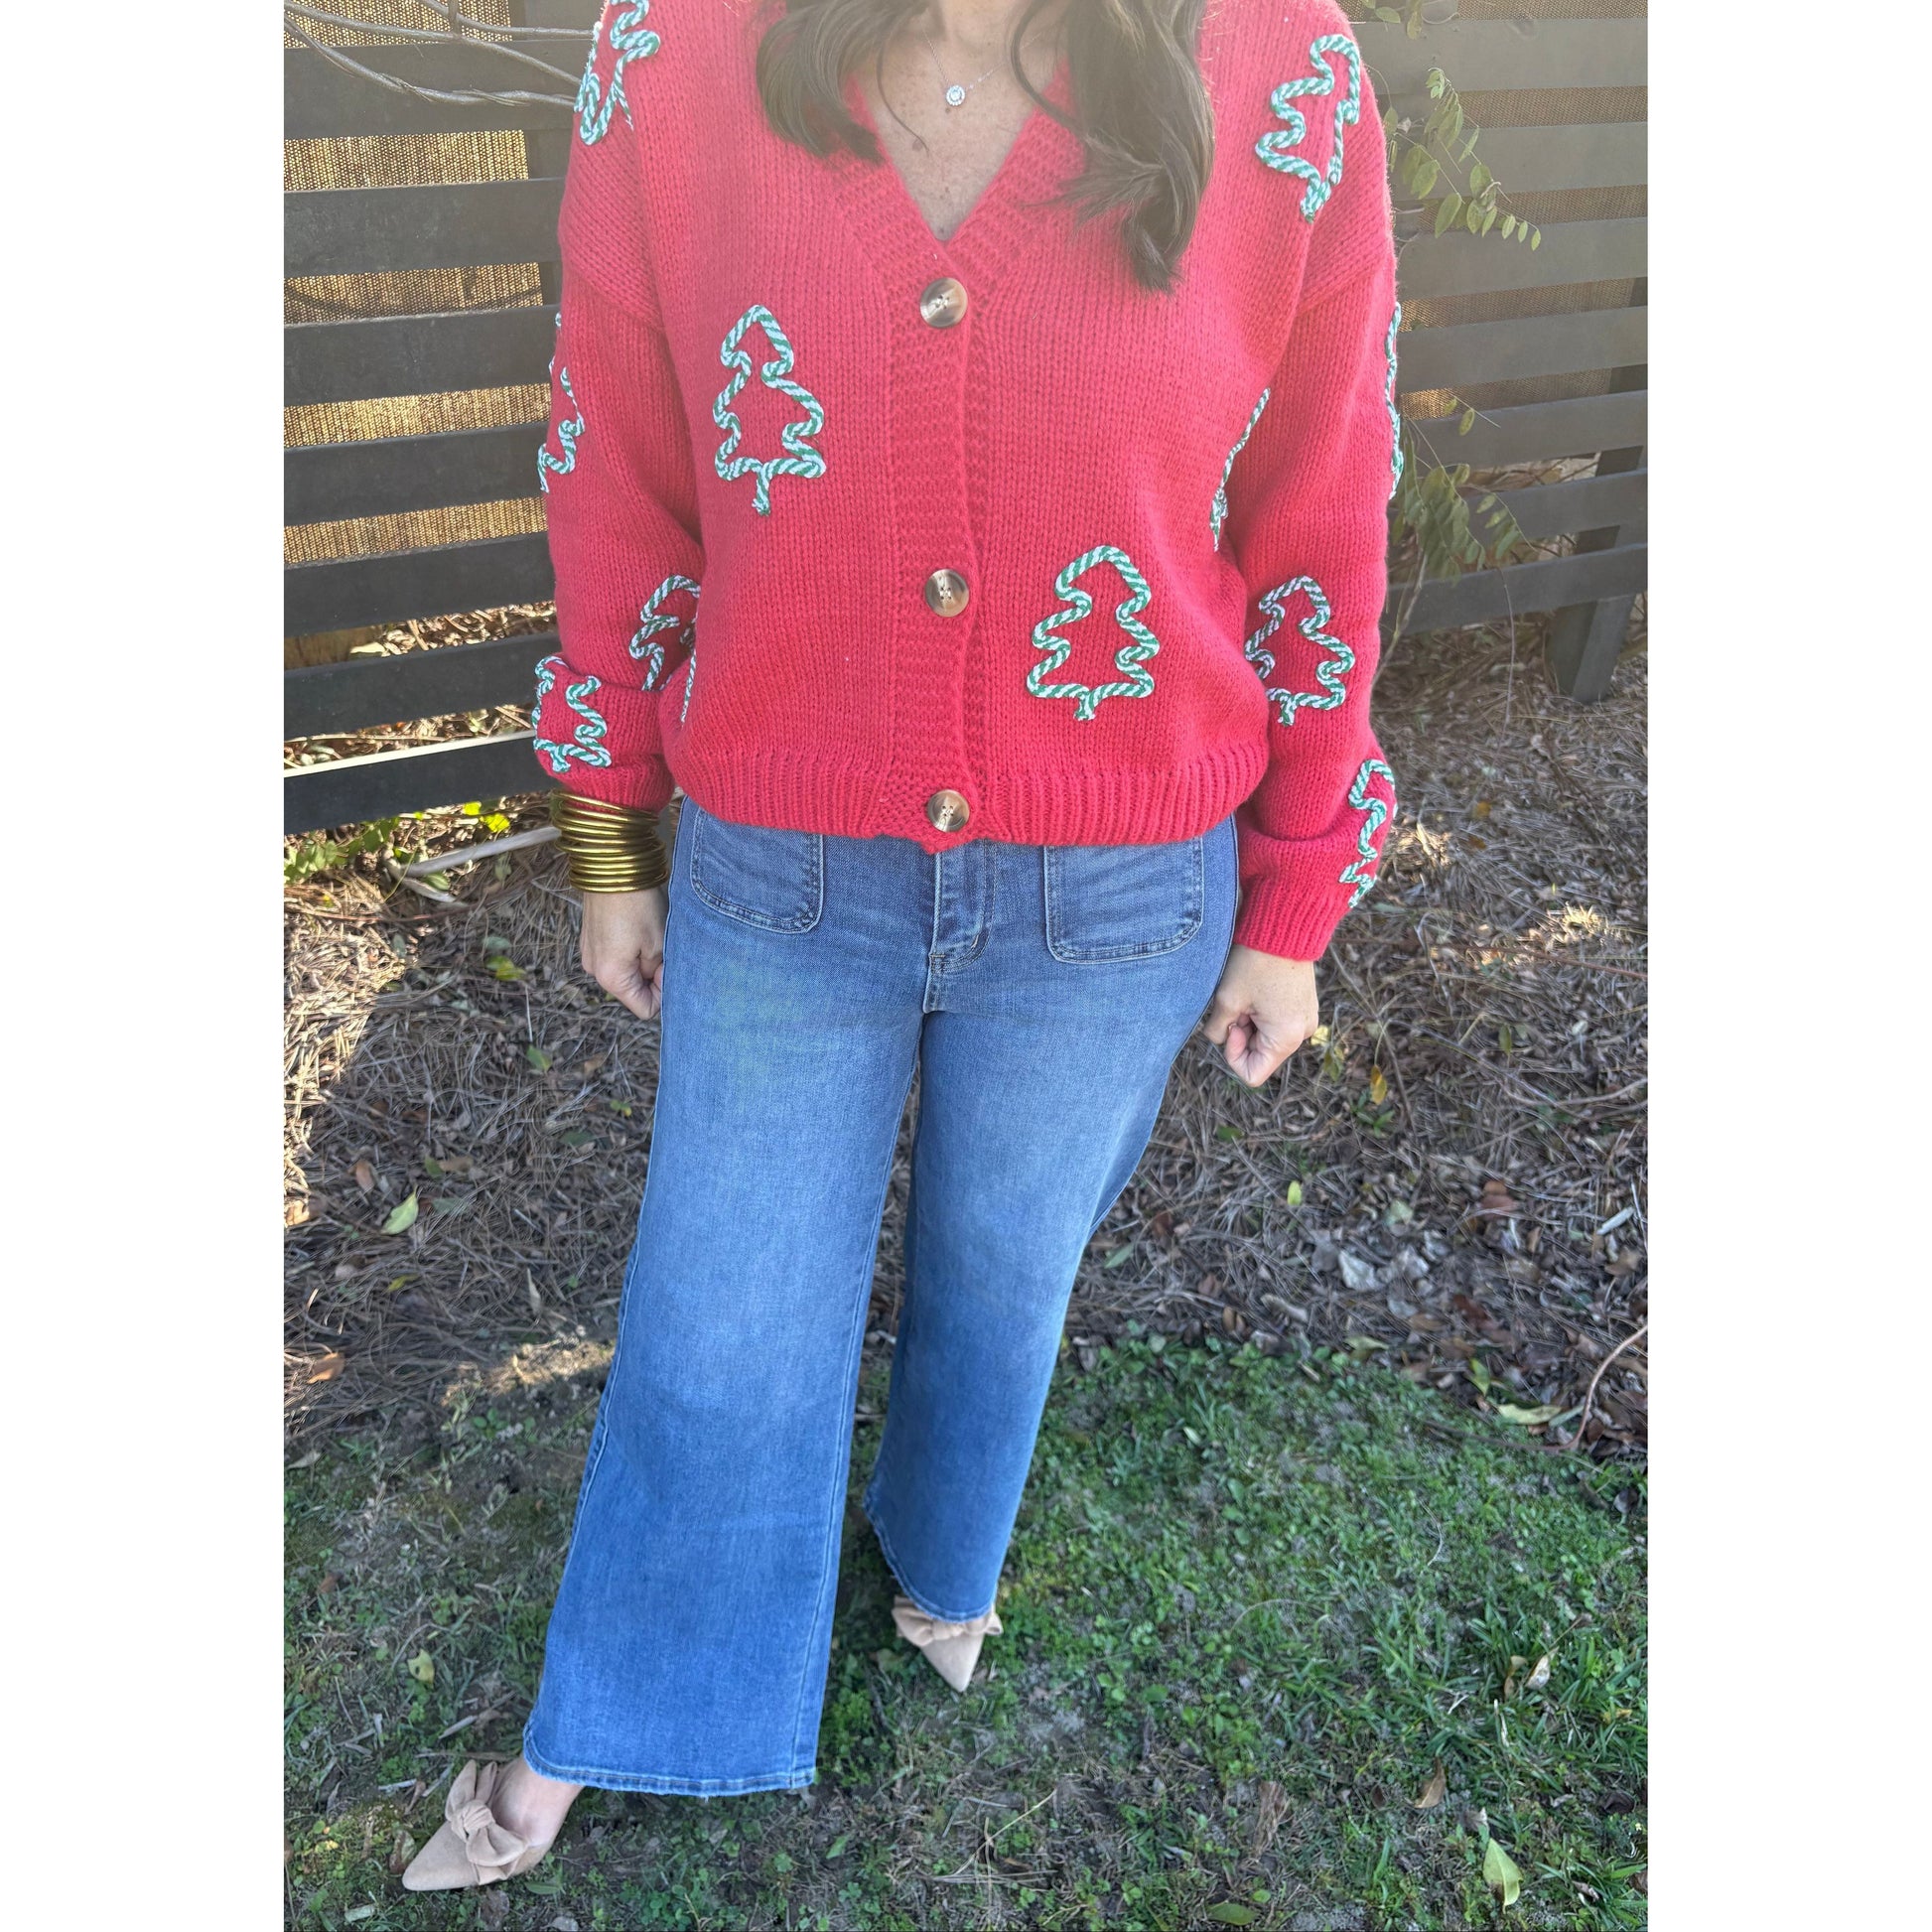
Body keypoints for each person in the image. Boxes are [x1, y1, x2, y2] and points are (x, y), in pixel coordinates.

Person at [404, 0, 1399, 1890]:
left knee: (1005, 1268)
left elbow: (1324, 497)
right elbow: (610, 449)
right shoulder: (674, 54)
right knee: (722, 1306)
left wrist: (1295, 895)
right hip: (787, 862)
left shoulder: (1286, 69)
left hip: (1113, 887)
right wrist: (611, 834)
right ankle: (619, 1704)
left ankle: (944, 1555)